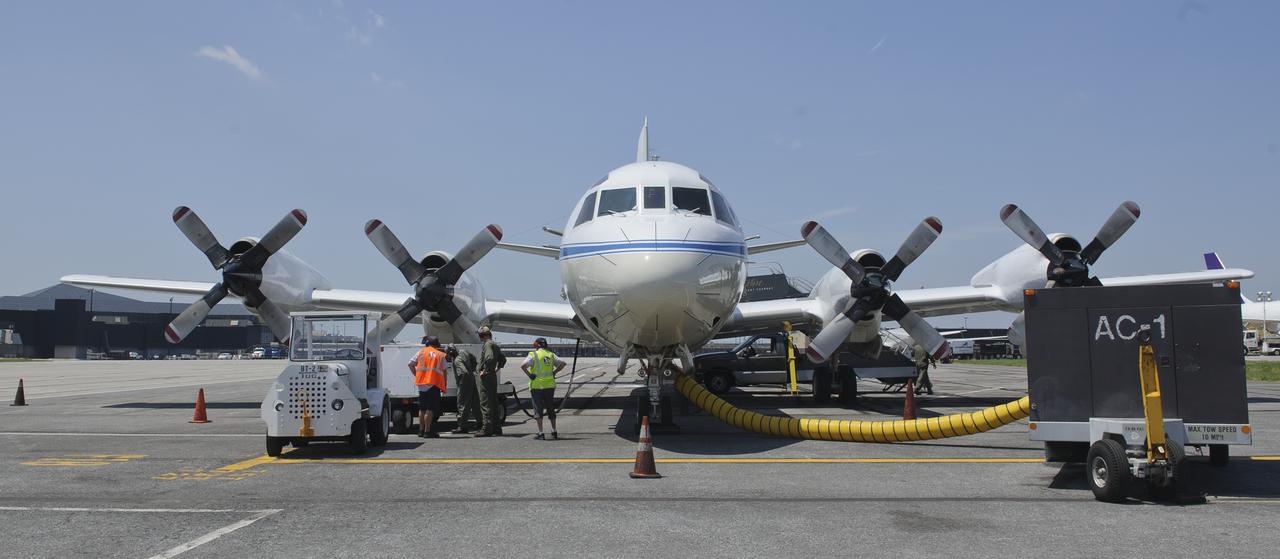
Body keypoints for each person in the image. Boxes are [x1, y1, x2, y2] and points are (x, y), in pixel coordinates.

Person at [521, 337, 567, 440]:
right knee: (551, 408)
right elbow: (563, 363)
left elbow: (523, 365)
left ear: (537, 345)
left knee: (538, 410)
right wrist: (554, 372)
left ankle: (541, 433)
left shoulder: (533, 354)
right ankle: (554, 431)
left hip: (537, 386)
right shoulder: (550, 354)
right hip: (549, 386)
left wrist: (530, 375)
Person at [409, 336, 448, 438]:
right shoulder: (440, 355)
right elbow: (444, 372)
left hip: (421, 384)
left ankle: (421, 430)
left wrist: (417, 374)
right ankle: (428, 431)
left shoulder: (420, 352)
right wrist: (444, 385)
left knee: (422, 409)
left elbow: (410, 364)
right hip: (433, 384)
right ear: (436, 345)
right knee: (430, 409)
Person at [475, 326, 506, 437]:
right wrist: (497, 368)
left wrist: (485, 370)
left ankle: (486, 428)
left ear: (481, 335)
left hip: (486, 377)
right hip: (492, 376)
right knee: (493, 402)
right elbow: (503, 359)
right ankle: (497, 428)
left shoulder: (487, 344)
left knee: (485, 402)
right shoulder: (494, 344)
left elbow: (489, 358)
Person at [447, 345, 481, 434]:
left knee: (462, 403)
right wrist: (472, 370)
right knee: (475, 403)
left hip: (465, 382)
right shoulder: (464, 352)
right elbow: (474, 359)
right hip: (472, 378)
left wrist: (462, 383)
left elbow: (464, 372)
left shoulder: (457, 360)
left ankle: (462, 426)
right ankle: (480, 423)